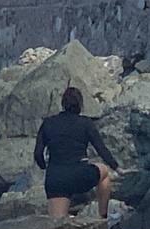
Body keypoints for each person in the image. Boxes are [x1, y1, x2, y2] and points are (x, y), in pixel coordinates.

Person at [34, 87, 119, 220]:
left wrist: (46, 167)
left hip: (56, 179)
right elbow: (101, 150)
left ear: (63, 104)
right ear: (80, 104)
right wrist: (116, 167)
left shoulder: (48, 123)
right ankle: (102, 217)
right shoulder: (85, 123)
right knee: (104, 172)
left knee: (57, 224)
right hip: (79, 175)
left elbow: (38, 155)